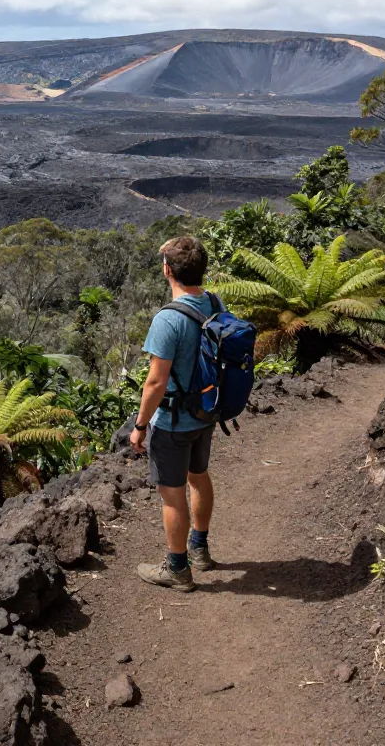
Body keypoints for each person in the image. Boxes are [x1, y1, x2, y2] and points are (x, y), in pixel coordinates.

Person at [129, 235, 224, 592]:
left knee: (172, 493)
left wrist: (139, 427)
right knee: (199, 475)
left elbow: (155, 382)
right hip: (206, 413)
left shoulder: (168, 320)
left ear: (168, 271)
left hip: (172, 422)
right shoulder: (214, 301)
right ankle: (200, 549)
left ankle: (178, 569)